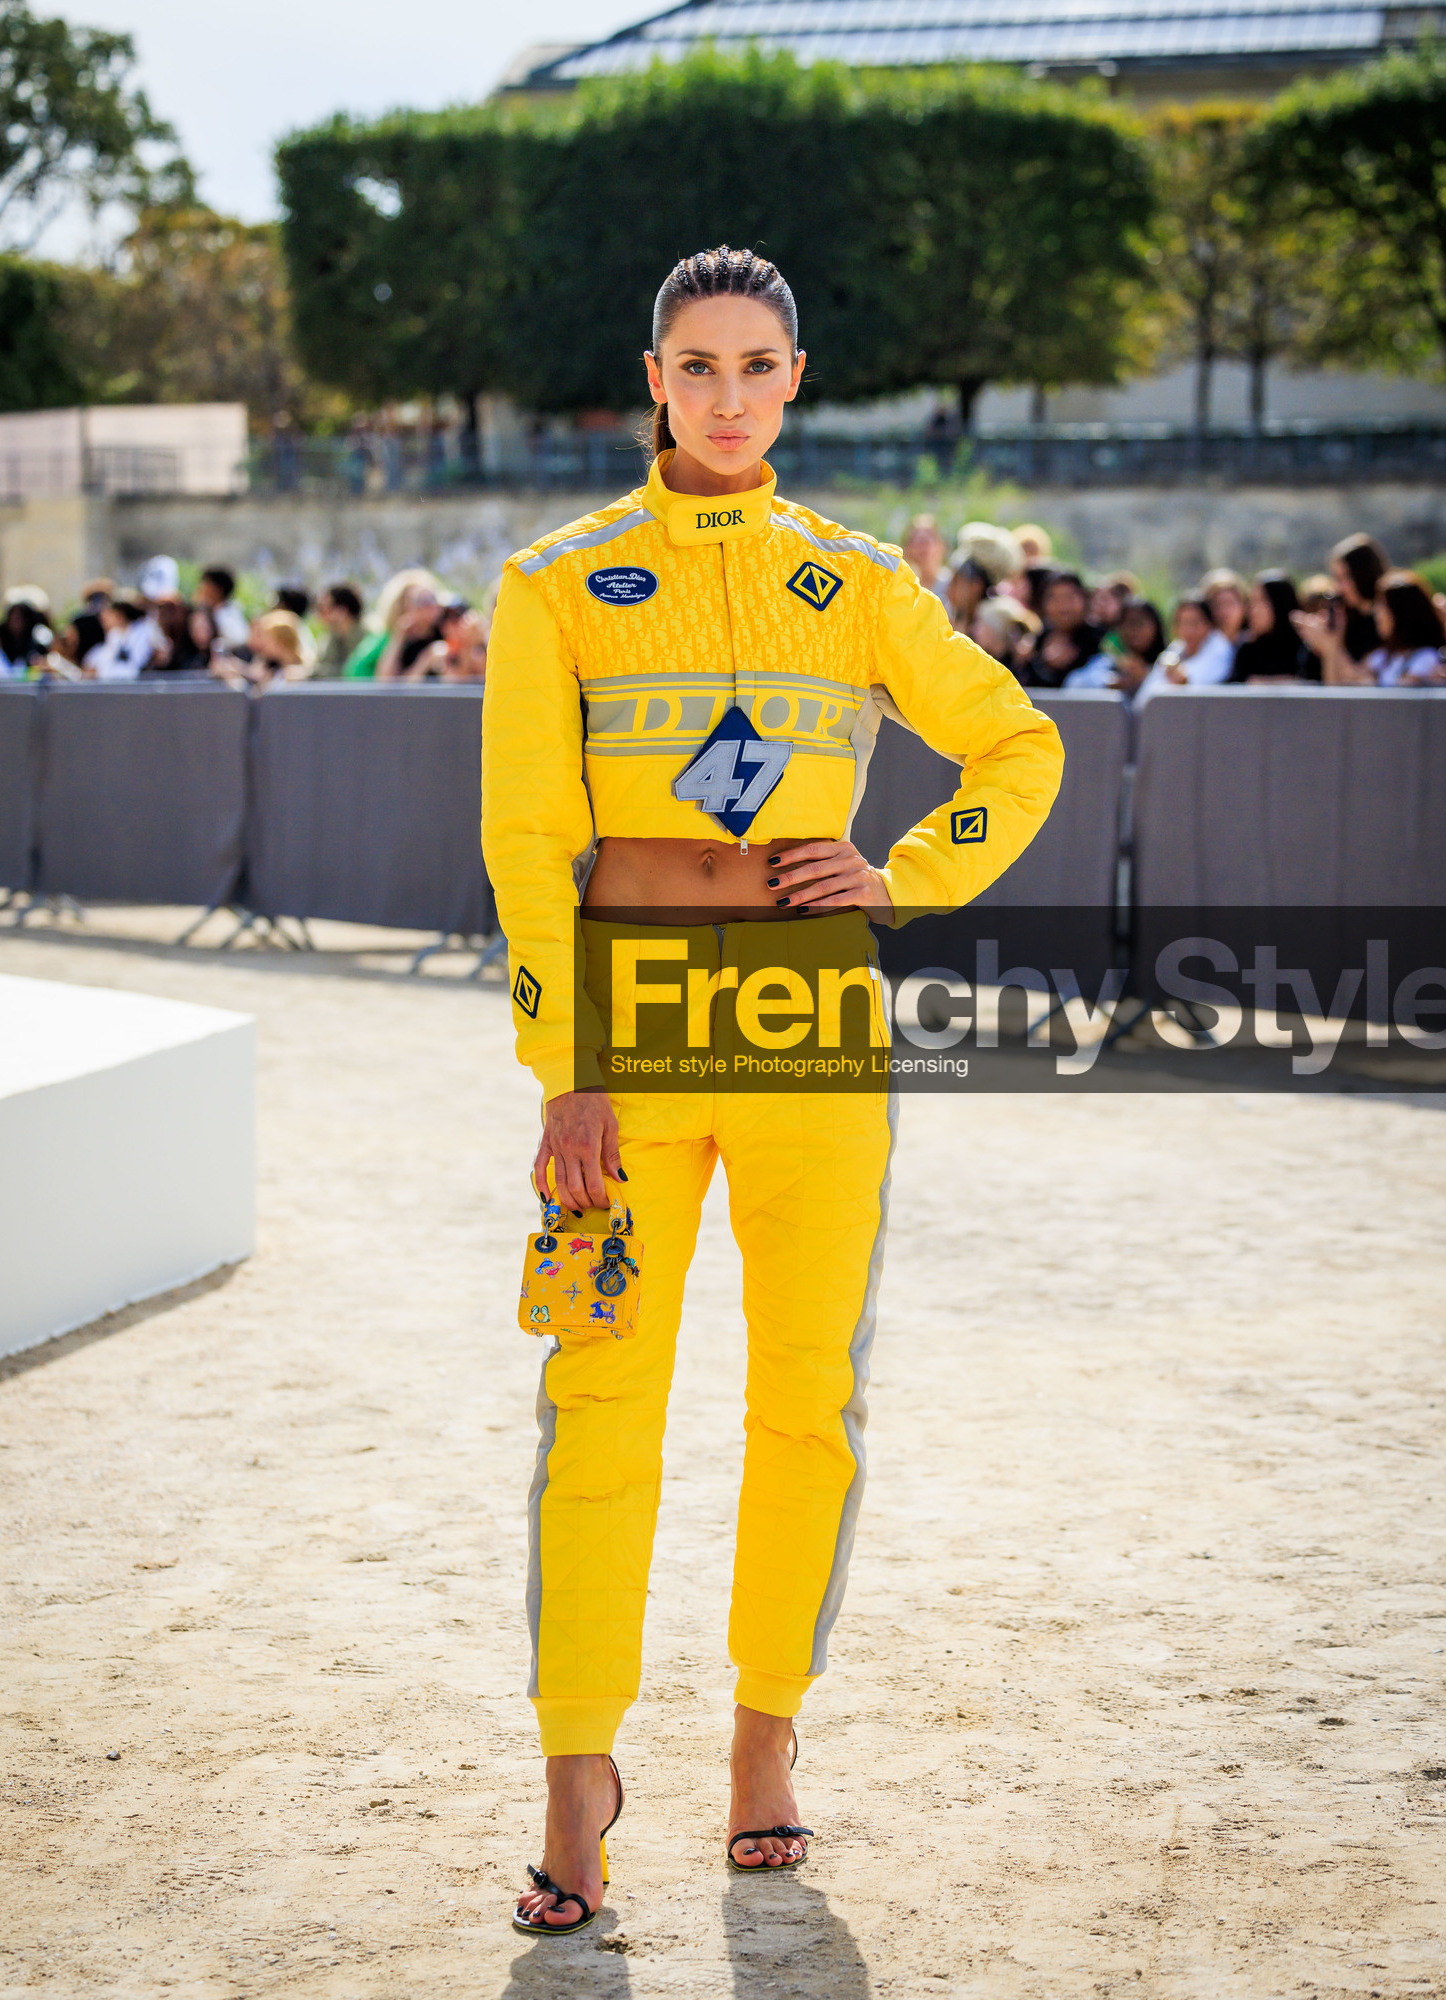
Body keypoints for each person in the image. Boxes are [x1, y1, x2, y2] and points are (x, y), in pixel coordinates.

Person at [483, 244, 1062, 1937]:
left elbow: (1017, 741)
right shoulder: (557, 583)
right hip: (632, 1030)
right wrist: (565, 1069)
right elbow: (529, 846)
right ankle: (576, 1780)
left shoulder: (860, 578)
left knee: (807, 1402)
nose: (727, 395)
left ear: (794, 381)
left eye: (756, 365)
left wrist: (906, 870)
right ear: (651, 380)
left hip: (816, 1023)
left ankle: (761, 1745)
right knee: (600, 1409)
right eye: (696, 366)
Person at [1296, 568, 1445, 686]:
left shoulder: (1427, 659)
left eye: (1384, 606)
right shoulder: (1380, 657)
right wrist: (1332, 644)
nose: (1378, 614)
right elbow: (1340, 687)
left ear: (1402, 612)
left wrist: (1332, 647)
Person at [1132, 595, 1236, 711]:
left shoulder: (1220, 647)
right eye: (1183, 623)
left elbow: (1195, 684)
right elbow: (1143, 698)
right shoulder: (1175, 650)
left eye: (1195, 623)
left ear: (1209, 624)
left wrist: (1181, 679)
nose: (1189, 630)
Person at [342, 568, 441, 678]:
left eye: (432, 598)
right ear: (404, 606)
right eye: (422, 601)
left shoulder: (446, 630)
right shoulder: (391, 637)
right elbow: (387, 682)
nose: (430, 606)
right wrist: (399, 638)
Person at [1019, 569, 1105, 688]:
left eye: (1070, 597)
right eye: (1054, 598)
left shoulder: (1100, 640)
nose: (1063, 607)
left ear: (1085, 600)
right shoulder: (1036, 641)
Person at [1229, 571, 1318, 683]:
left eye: (1260, 601)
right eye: (1251, 601)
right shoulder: (1247, 650)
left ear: (1279, 603)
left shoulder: (1307, 648)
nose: (1252, 610)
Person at [1328, 533, 1389, 662]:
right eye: (1336, 578)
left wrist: (1328, 647)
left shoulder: (1390, 617)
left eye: (1345, 577)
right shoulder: (1345, 619)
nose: (1339, 588)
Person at [83, 598, 156, 680]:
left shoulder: (143, 632)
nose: (103, 620)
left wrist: (99, 673)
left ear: (120, 616)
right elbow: (106, 661)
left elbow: (134, 668)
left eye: (108, 615)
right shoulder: (114, 635)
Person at [315, 584, 363, 677]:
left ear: (342, 610)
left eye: (323, 609)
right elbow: (323, 663)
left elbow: (353, 670)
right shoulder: (332, 636)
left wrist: (311, 673)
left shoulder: (368, 636)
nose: (319, 616)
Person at [197, 567, 250, 650]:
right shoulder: (206, 611)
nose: (201, 588)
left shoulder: (229, 615)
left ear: (218, 589)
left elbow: (239, 639)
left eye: (206, 584)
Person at [900, 515, 949, 598]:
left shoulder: (951, 583)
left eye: (929, 536)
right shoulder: (902, 586)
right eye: (916, 538)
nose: (923, 544)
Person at [1198, 568, 1250, 646]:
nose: (1224, 611)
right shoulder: (1198, 646)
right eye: (1217, 605)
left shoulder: (1254, 643)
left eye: (1230, 603)